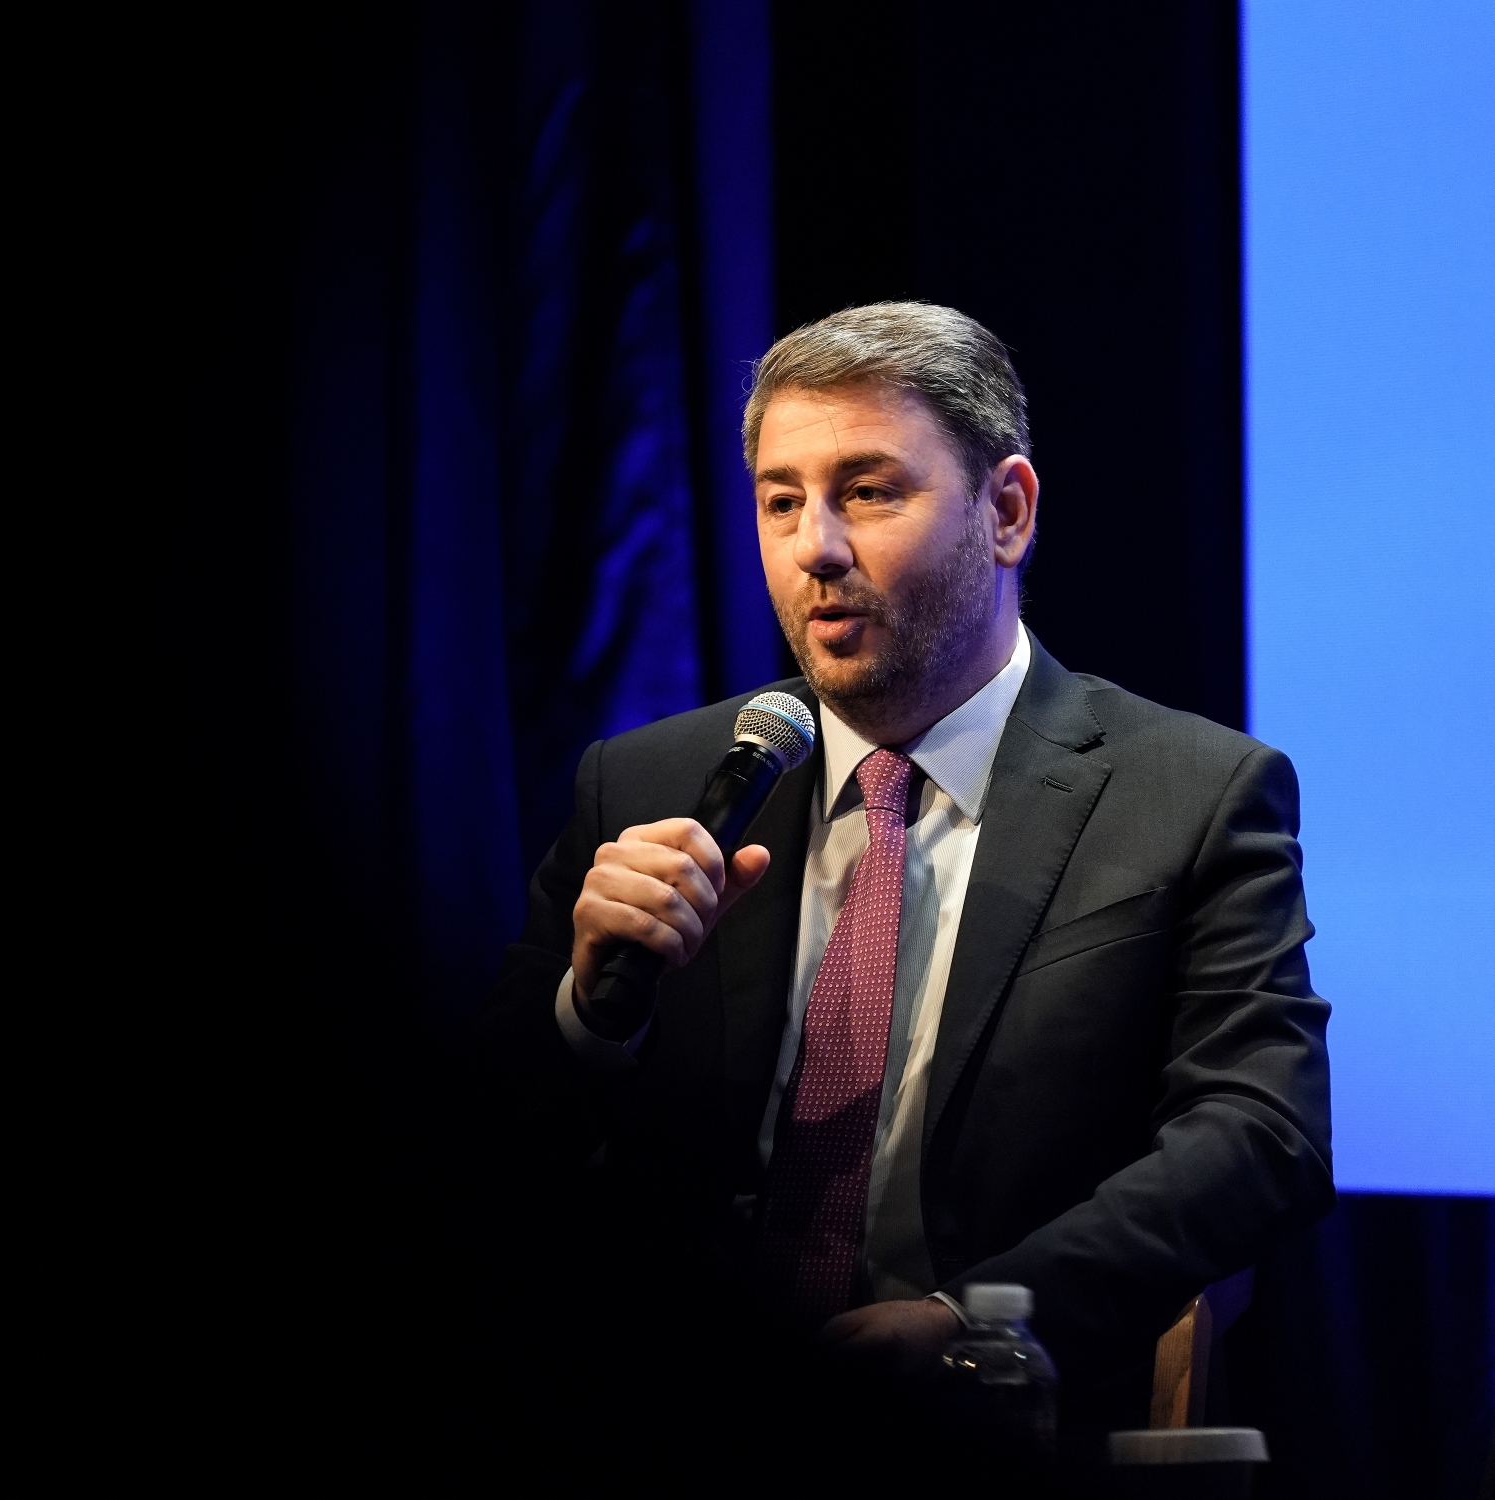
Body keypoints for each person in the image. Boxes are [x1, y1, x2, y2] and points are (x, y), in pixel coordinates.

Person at [465, 301, 1332, 1478]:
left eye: (868, 492)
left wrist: (975, 1324)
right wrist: (591, 1014)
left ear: (1006, 511)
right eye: (781, 502)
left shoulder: (1188, 793)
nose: (814, 548)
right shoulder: (649, 783)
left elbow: (1261, 1135)